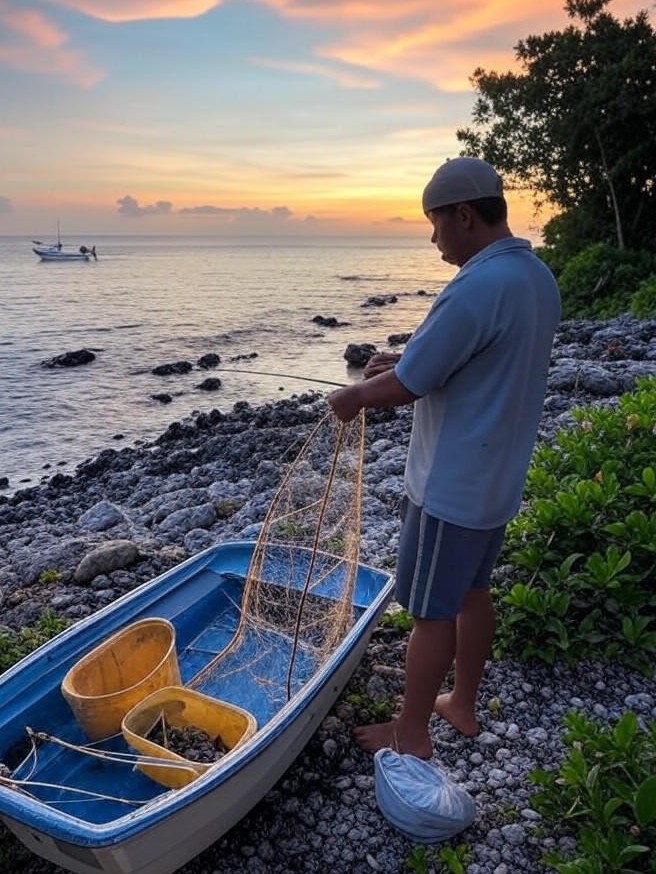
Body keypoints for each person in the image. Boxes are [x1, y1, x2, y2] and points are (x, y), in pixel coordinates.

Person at [327, 156, 560, 758]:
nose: (432, 239)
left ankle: (411, 734)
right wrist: (397, 365)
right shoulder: (535, 278)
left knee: (430, 611)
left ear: (464, 216)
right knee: (471, 593)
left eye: (435, 225)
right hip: (498, 481)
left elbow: (411, 384)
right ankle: (462, 703)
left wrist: (355, 395)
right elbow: (467, 364)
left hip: (450, 486)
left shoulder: (475, 286)